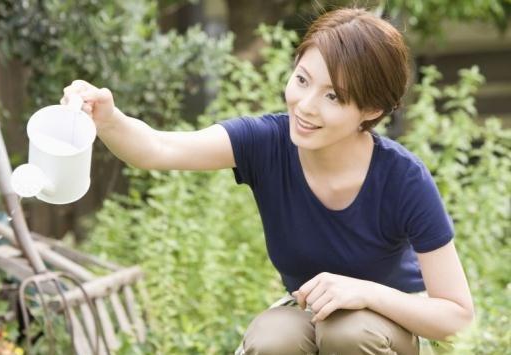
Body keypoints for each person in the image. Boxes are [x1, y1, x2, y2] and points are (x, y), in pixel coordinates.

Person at [61, 7, 474, 355]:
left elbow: (456, 314)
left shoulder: (402, 178)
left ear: (371, 109)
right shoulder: (268, 142)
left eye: (333, 96)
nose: (306, 106)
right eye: (302, 80)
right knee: (273, 338)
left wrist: (366, 293)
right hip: (307, 311)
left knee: (349, 333)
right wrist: (108, 118)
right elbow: (159, 149)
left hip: (386, 325)